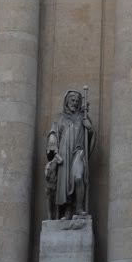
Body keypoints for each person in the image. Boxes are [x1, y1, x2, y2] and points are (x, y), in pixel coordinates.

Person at [45, 88, 95, 219]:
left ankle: (79, 208)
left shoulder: (83, 117)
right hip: (64, 154)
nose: (75, 103)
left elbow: (90, 136)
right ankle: (67, 211)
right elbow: (53, 132)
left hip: (78, 152)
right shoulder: (60, 118)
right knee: (65, 184)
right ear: (67, 101)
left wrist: (89, 128)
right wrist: (52, 139)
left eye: (77, 101)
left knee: (78, 177)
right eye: (72, 100)